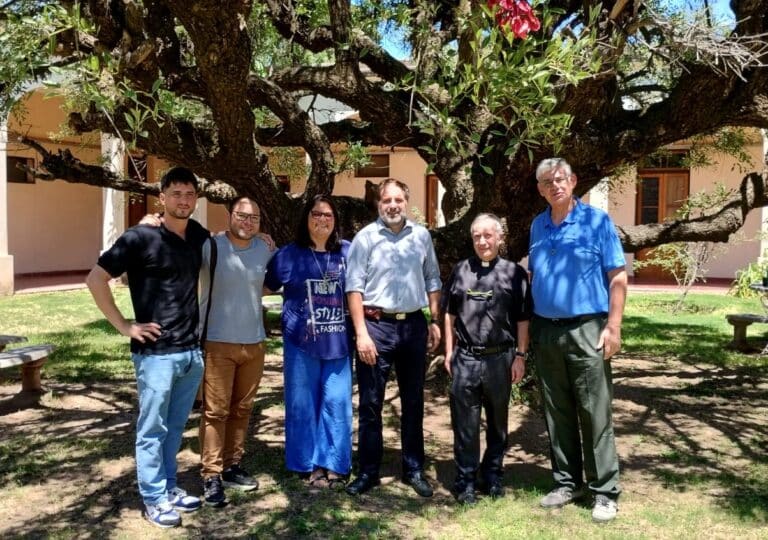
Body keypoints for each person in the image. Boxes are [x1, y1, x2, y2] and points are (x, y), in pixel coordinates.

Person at [86, 166, 208, 529]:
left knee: (174, 427)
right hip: (156, 356)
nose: (183, 200)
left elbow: (225, 238)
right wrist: (125, 326)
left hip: (190, 352)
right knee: (152, 428)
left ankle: (169, 488)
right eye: (176, 194)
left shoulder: (196, 235)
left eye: (189, 194)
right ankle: (154, 499)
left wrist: (259, 235)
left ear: (196, 199)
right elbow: (96, 279)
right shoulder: (139, 237)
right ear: (162, 197)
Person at [528, 158, 627, 523]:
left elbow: (617, 277)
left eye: (560, 179)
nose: (555, 185)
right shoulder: (538, 225)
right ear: (539, 189)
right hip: (546, 330)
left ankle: (605, 491)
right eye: (547, 182)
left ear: (573, 181)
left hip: (587, 328)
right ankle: (568, 482)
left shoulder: (597, 222)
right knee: (557, 410)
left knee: (594, 410)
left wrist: (612, 326)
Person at [345, 178, 442, 498]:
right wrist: (361, 334)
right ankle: (368, 471)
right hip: (376, 328)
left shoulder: (421, 236)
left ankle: (413, 469)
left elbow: (432, 279)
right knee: (371, 403)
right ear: (378, 203)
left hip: (413, 327)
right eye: (387, 200)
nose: (392, 205)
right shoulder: (365, 238)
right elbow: (354, 288)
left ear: (406, 201)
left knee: (413, 401)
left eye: (398, 199)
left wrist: (434, 320)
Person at [442, 213, 532, 505]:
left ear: (499, 238)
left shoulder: (514, 273)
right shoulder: (460, 270)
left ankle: (492, 474)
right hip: (466, 358)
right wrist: (448, 351)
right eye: (477, 236)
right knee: (465, 424)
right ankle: (466, 480)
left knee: (498, 422)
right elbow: (449, 313)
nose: (482, 241)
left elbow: (522, 318)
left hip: (500, 359)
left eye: (488, 235)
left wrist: (520, 355)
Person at [264, 195, 353, 489]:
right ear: (306, 218)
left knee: (337, 402)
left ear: (335, 220)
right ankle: (310, 464)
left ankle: (336, 463)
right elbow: (263, 286)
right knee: (303, 404)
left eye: (328, 215)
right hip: (300, 343)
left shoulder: (348, 253)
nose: (322, 220)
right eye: (316, 214)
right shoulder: (288, 255)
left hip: (339, 343)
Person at [197, 196, 273, 506]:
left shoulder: (265, 249)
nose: (248, 222)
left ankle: (232, 465)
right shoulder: (211, 246)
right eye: (242, 216)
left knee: (242, 410)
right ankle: (210, 474)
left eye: (254, 218)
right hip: (217, 342)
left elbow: (276, 279)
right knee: (216, 411)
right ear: (230, 216)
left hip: (254, 342)